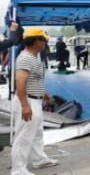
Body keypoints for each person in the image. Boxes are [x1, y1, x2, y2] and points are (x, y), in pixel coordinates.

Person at [12, 28, 58, 175]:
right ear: (35, 41)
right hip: (28, 100)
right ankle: (18, 170)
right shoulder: (26, 58)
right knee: (24, 137)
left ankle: (39, 160)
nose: (45, 42)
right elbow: (20, 82)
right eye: (43, 40)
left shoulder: (35, 56)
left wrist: (44, 94)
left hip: (35, 100)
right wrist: (25, 106)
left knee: (37, 134)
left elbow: (34, 79)